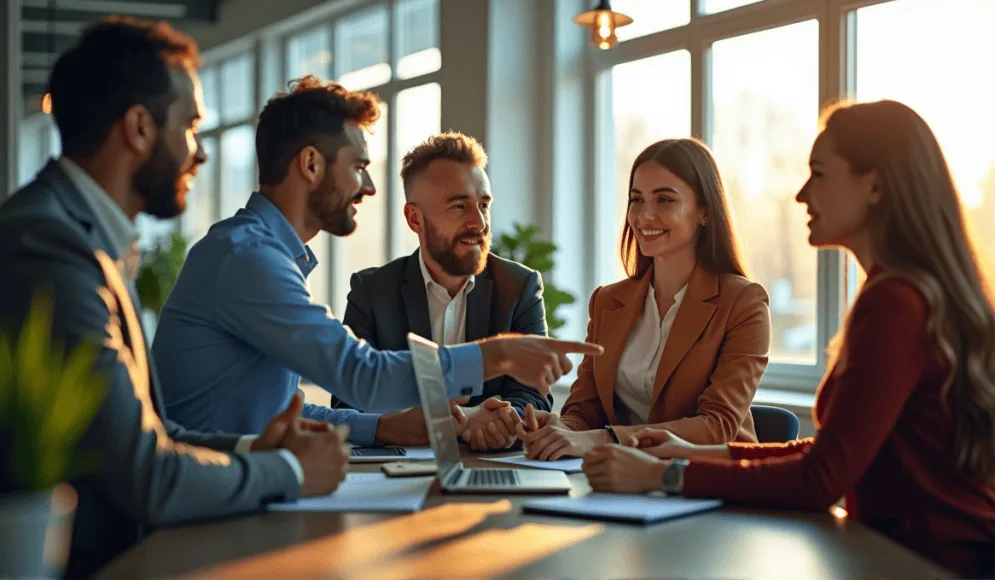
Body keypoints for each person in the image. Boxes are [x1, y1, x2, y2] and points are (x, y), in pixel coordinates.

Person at [582, 100, 995, 577]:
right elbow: (827, 453)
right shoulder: (902, 292)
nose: (801, 194)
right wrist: (687, 451)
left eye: (819, 173)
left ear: (874, 184)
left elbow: (820, 479)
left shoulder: (896, 302)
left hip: (927, 565)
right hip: (911, 554)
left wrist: (664, 475)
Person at [0, 19, 351, 579]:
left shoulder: (80, 237)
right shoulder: (50, 245)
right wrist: (286, 472)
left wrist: (255, 450)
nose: (199, 153)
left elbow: (151, 436)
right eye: (189, 126)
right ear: (139, 127)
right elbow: (147, 478)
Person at [151, 77, 602, 447]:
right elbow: (362, 377)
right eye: (359, 165)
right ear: (311, 164)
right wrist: (500, 354)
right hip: (205, 502)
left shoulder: (263, 255)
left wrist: (386, 427)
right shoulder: (249, 260)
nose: (367, 186)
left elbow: (282, 407)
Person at [518, 138, 770, 460]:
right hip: (621, 478)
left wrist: (604, 439)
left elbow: (716, 426)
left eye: (664, 200)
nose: (644, 215)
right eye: (636, 200)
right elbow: (585, 410)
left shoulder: (743, 302)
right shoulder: (608, 301)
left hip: (704, 480)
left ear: (704, 212)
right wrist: (559, 428)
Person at [335, 132, 551, 451]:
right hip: (398, 467)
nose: (479, 223)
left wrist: (501, 421)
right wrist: (459, 419)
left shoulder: (519, 286)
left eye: (484, 205)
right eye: (459, 207)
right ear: (415, 218)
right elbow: (347, 401)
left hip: (490, 463)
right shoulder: (371, 291)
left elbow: (536, 395)